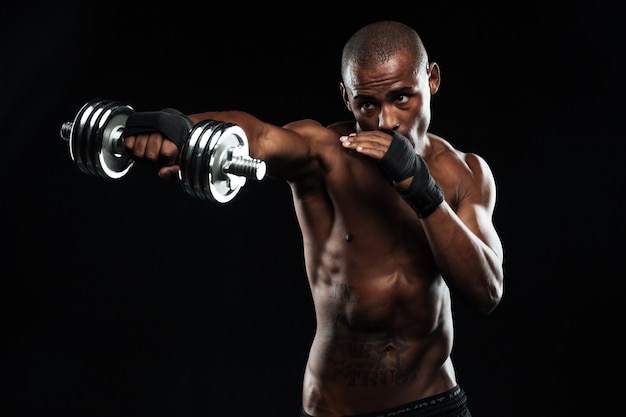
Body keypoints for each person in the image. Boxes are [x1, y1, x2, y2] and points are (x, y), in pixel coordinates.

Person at [122, 20, 504, 417]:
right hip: (338, 408)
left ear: (433, 79)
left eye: (402, 97)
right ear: (346, 97)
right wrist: (179, 130)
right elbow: (258, 134)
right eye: (367, 104)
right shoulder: (324, 154)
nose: (387, 121)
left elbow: (486, 292)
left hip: (435, 402)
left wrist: (421, 189)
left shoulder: (466, 173)